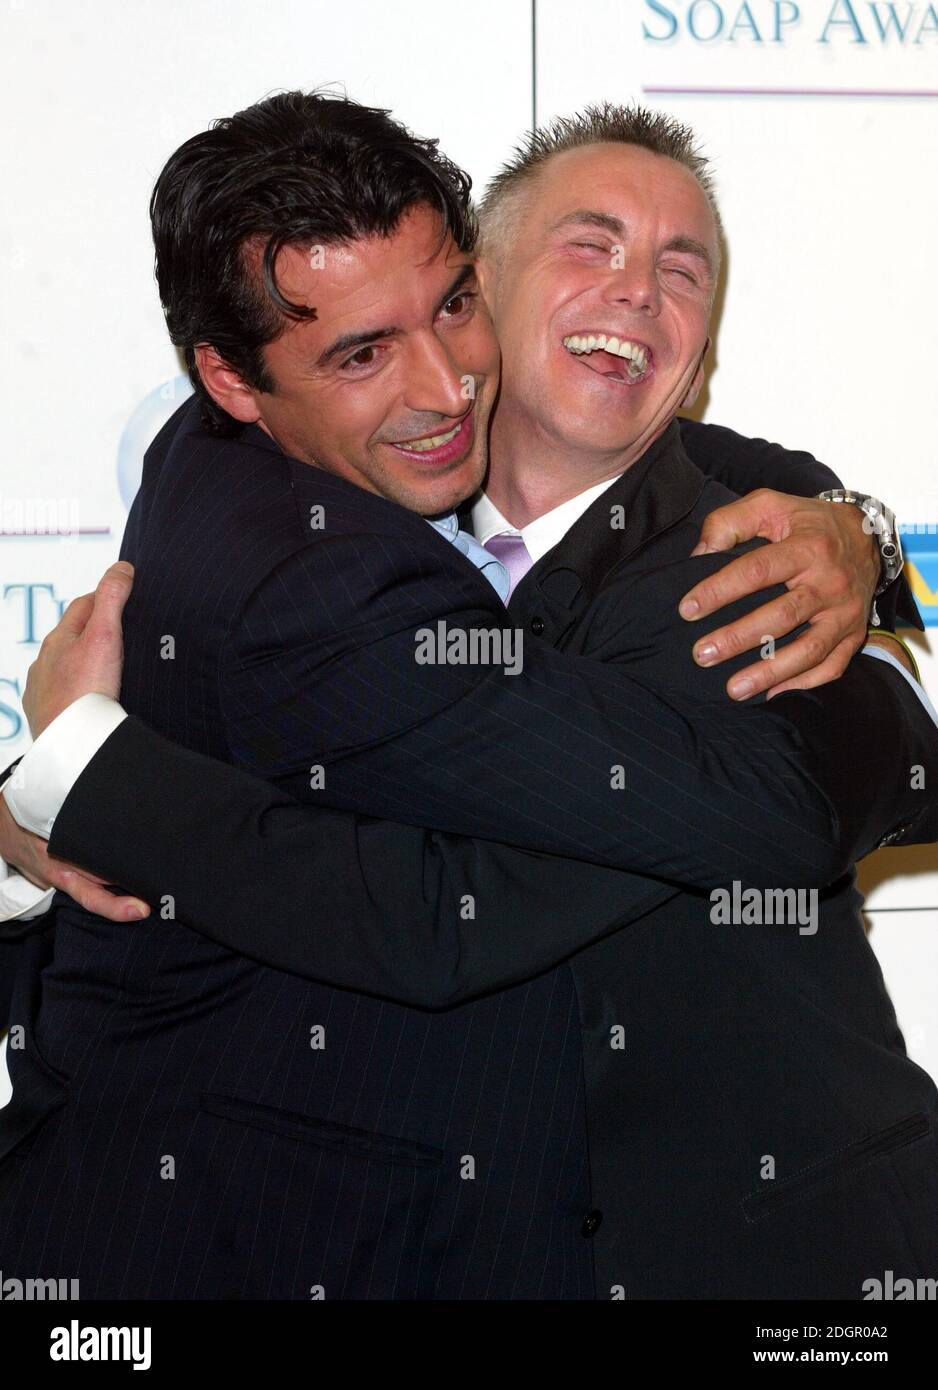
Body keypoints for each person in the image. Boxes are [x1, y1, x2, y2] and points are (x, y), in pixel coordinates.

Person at [0, 93, 934, 1300]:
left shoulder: (780, 515)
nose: (637, 289)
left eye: (682, 267)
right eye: (588, 245)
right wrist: (51, 802)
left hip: (784, 1250)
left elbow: (904, 746)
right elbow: (408, 905)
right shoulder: (271, 518)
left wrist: (871, 558)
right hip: (390, 1241)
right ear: (480, 279)